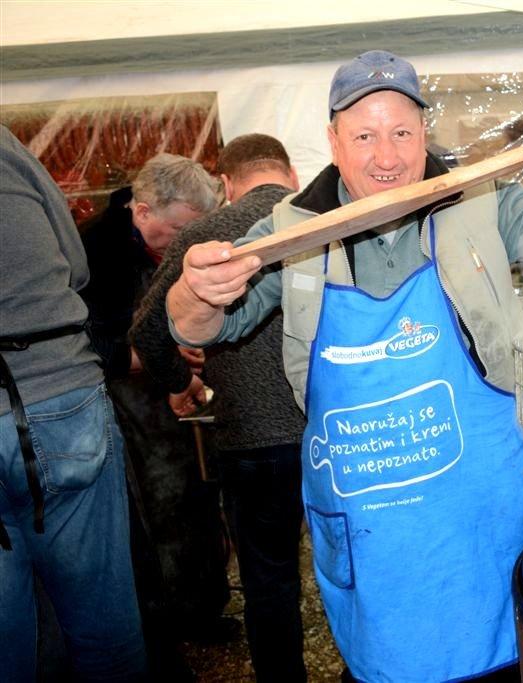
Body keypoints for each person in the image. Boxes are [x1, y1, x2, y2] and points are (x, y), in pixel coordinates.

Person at [167, 50, 523, 682]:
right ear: (333, 140)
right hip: (370, 514)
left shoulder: (480, 198)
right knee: (384, 664)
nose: (388, 155)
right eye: (365, 135)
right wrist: (194, 289)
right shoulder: (291, 230)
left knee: (498, 654)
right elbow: (199, 323)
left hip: (476, 504)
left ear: (424, 133)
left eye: (402, 132)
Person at [130, 134, 308, 681]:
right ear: (291, 176)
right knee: (356, 565)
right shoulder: (324, 220)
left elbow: (147, 331)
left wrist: (180, 383)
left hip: (251, 435)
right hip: (335, 428)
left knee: (267, 576)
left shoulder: (205, 236)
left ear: (225, 184)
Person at [0, 125, 147, 681]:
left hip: (43, 398)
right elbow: (75, 264)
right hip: (58, 392)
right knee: (103, 625)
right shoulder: (5, 148)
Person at [77, 153, 233, 670]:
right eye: (180, 231)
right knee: (157, 507)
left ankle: (205, 605)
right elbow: (89, 340)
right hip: (127, 400)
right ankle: (165, 621)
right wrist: (152, 356)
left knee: (198, 497)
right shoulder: (92, 249)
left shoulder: (164, 234)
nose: (186, 242)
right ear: (141, 211)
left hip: (177, 388)